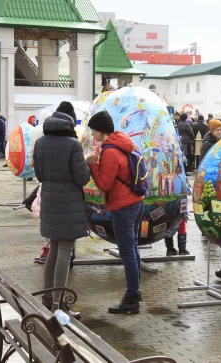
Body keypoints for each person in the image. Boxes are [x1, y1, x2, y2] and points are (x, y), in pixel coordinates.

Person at [85, 110, 144, 314]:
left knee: (127, 252)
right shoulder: (123, 141)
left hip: (123, 205)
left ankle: (131, 299)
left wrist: (93, 164)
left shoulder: (110, 151)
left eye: (93, 131)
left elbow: (104, 184)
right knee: (133, 247)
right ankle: (135, 290)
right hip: (136, 201)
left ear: (101, 131)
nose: (92, 135)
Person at [34, 102, 90, 313]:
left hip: (49, 200)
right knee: (65, 252)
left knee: (53, 250)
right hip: (69, 203)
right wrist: (88, 162)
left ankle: (47, 298)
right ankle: (59, 303)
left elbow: (39, 175)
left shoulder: (40, 143)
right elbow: (82, 177)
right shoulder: (73, 145)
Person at [23, 110, 53, 211]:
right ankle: (32, 201)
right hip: (46, 159)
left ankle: (32, 201)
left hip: (37, 159)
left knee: (43, 183)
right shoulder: (46, 129)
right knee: (44, 184)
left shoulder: (35, 129)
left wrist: (31, 160)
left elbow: (31, 146)